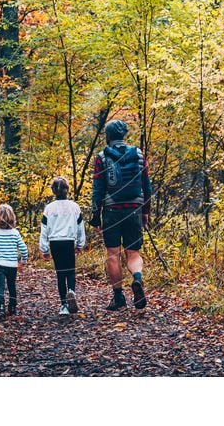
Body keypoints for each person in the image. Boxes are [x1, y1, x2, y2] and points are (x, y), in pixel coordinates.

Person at [90, 119, 152, 311]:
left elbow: (98, 189)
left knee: (113, 254)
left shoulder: (101, 157)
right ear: (124, 135)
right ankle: (137, 279)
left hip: (112, 211)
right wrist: (146, 212)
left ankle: (118, 298)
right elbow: (146, 185)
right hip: (134, 208)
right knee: (133, 252)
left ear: (108, 136)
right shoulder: (139, 154)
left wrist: (95, 216)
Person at [40, 176, 86, 316]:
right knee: (71, 271)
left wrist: (44, 249)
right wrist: (80, 244)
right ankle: (71, 291)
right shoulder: (74, 207)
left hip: (55, 242)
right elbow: (80, 227)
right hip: (69, 241)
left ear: (53, 191)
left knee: (60, 274)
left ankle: (64, 305)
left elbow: (44, 229)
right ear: (67, 189)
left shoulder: (49, 208)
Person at [0, 204, 28, 320]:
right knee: (12, 285)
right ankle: (12, 307)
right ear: (12, 218)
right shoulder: (15, 233)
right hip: (12, 265)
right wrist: (23, 261)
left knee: (0, 287)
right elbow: (23, 249)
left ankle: (0, 309)